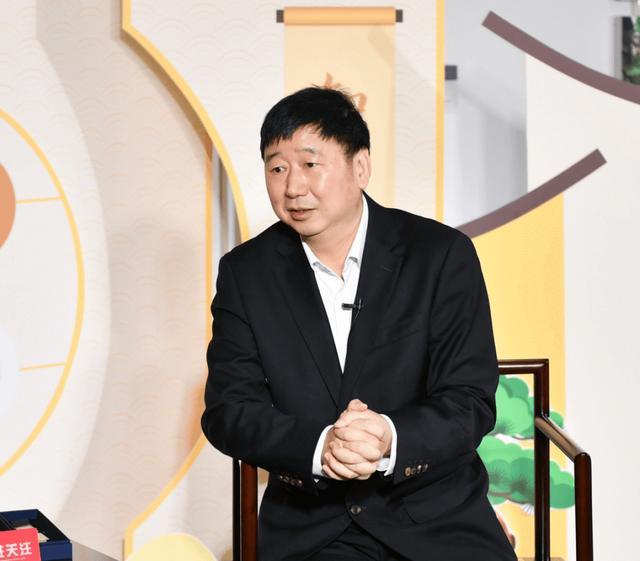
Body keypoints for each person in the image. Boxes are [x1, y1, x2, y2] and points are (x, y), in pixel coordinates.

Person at [201, 87, 516, 561]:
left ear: (361, 167)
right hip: (314, 528)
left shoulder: (440, 255)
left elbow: (469, 398)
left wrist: (390, 436)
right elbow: (229, 410)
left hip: (434, 517)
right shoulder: (246, 273)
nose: (293, 187)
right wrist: (321, 447)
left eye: (311, 164)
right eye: (277, 168)